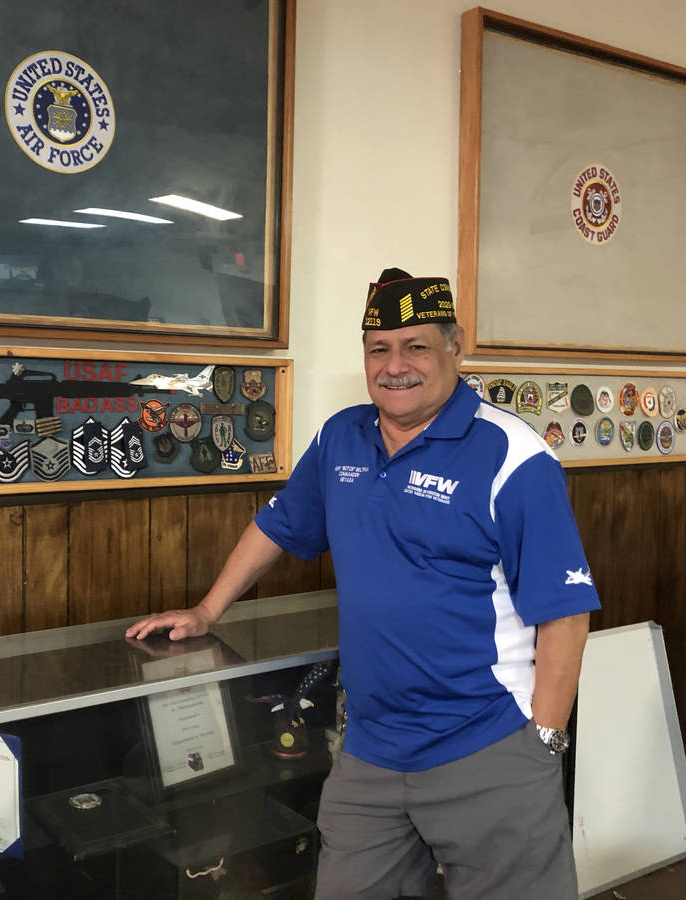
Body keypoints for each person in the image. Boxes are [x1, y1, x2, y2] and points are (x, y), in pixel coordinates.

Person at [126, 267, 600, 899]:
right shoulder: (340, 438)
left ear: (455, 347)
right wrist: (209, 610)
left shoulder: (512, 456)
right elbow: (278, 524)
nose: (395, 365)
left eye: (416, 346)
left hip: (486, 748)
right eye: (380, 348)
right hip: (371, 751)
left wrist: (543, 741)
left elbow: (565, 611)